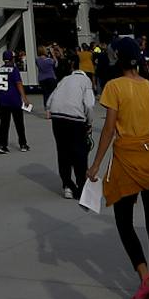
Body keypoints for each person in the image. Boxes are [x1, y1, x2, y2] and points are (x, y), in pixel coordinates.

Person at [87, 40, 149, 299]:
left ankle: (145, 277)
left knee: (124, 222)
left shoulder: (114, 87)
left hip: (127, 157)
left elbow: (109, 129)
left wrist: (96, 164)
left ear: (118, 60)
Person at [48, 53, 97, 199]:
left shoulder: (64, 80)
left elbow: (50, 101)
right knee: (79, 153)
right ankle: (81, 186)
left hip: (57, 117)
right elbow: (88, 104)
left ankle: (67, 185)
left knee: (63, 152)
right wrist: (89, 122)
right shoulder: (85, 81)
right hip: (75, 118)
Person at [0, 51, 30, 153]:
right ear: (12, 59)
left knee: (4, 124)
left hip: (2, 100)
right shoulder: (14, 70)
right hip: (14, 99)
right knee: (19, 123)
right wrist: (24, 97)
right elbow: (18, 83)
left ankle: (2, 145)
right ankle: (23, 144)